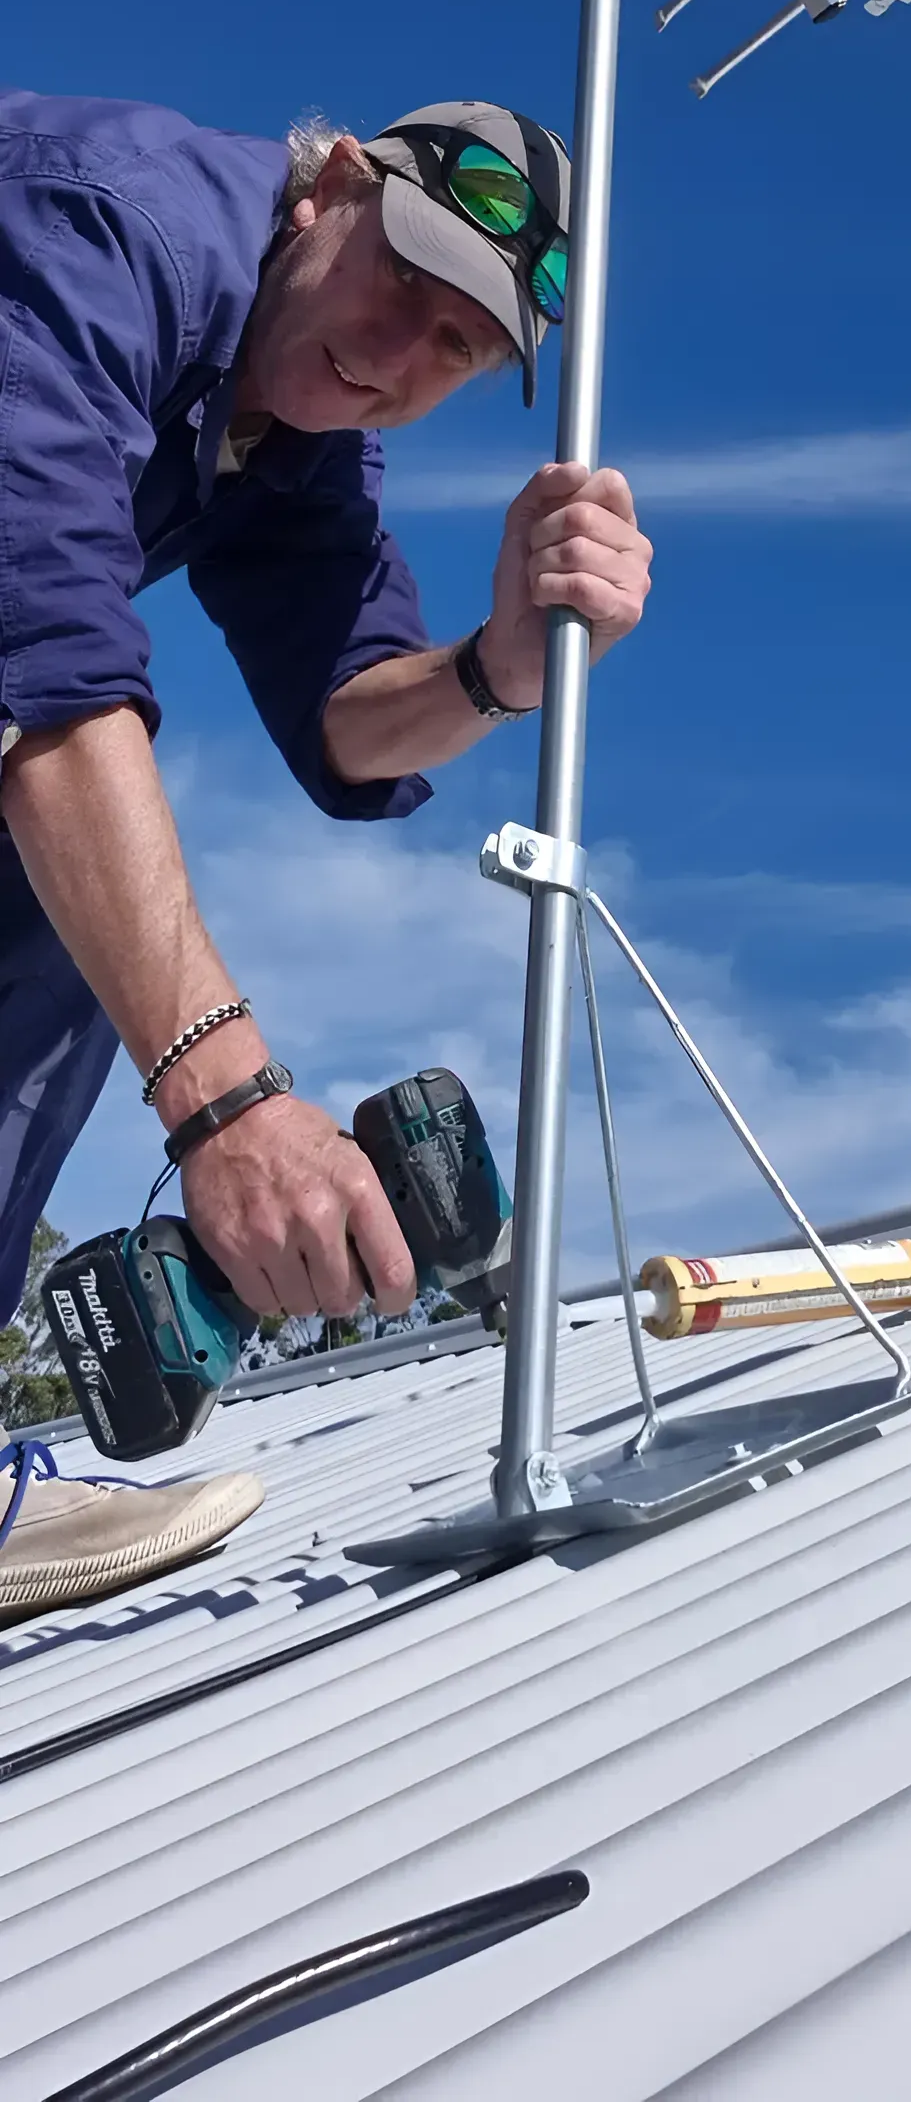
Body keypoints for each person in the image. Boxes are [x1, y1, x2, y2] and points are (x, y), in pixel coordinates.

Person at [0, 89, 654, 1343]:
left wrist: (499, 667)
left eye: (457, 349)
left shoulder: (301, 433)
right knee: (78, 857)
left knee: (74, 911)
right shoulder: (98, 233)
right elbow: (42, 661)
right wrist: (226, 1107)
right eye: (407, 280)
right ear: (334, 187)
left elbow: (348, 717)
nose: (397, 358)